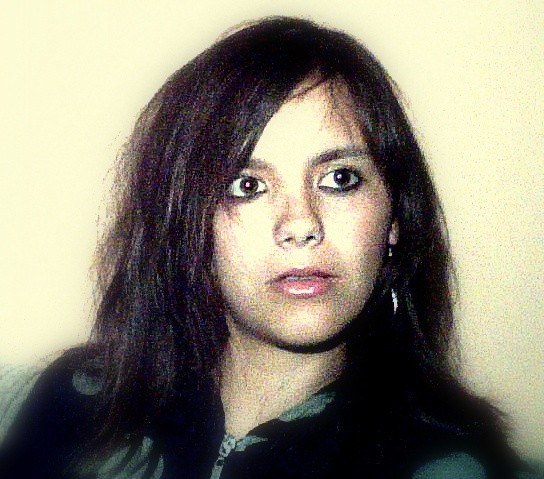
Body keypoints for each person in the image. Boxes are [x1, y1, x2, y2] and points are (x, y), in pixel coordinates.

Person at [0, 16, 540, 479]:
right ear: (187, 224)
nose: (301, 224)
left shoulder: (442, 465)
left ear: (394, 217)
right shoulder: (75, 400)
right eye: (247, 185)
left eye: (341, 179)